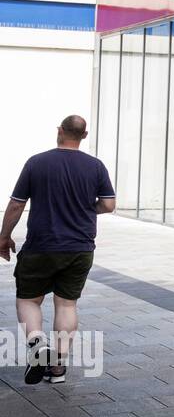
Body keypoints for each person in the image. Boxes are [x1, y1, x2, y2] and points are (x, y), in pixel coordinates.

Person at [0, 115, 115, 385]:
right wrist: (87, 208)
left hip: (41, 245)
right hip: (80, 248)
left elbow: (16, 205)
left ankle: (38, 344)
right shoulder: (95, 166)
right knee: (66, 304)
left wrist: (4, 237)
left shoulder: (36, 162)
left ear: (59, 131)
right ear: (84, 136)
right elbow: (108, 205)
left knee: (29, 299)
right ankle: (58, 369)